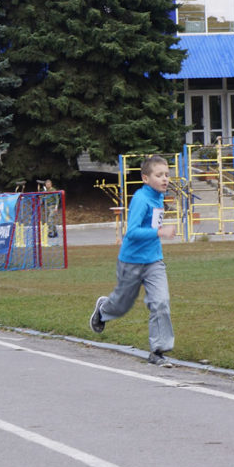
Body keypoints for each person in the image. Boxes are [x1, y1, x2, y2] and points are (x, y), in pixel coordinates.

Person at [89, 154, 176, 367]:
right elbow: (132, 232)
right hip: (131, 261)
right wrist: (160, 232)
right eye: (159, 175)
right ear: (145, 178)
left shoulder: (158, 197)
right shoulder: (140, 199)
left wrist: (157, 234)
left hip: (154, 261)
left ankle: (158, 351)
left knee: (161, 302)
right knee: (121, 306)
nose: (165, 179)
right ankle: (103, 309)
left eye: (167, 174)